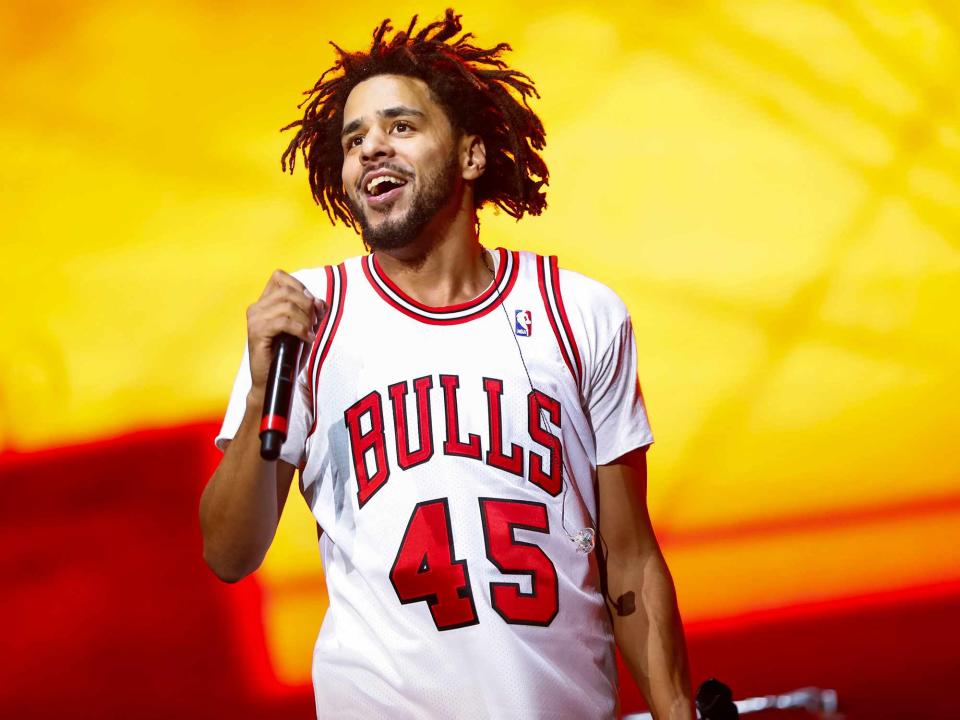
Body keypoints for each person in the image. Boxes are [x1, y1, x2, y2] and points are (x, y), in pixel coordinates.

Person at [200, 9, 693, 719]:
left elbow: (631, 558)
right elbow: (227, 552)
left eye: (400, 127)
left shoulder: (578, 312)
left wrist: (676, 710)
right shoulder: (307, 318)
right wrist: (256, 404)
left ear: (469, 156)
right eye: (354, 139)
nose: (372, 148)